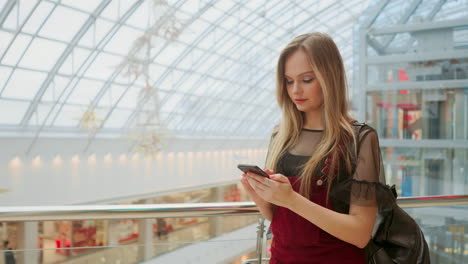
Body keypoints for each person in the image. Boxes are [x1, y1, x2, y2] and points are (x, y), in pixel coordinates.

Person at [240, 33, 391, 264]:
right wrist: (261, 197)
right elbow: (279, 219)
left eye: (307, 79)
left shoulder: (359, 139)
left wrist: (291, 199)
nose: (295, 91)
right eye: (289, 81)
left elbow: (361, 234)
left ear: (330, 77)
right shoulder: (281, 136)